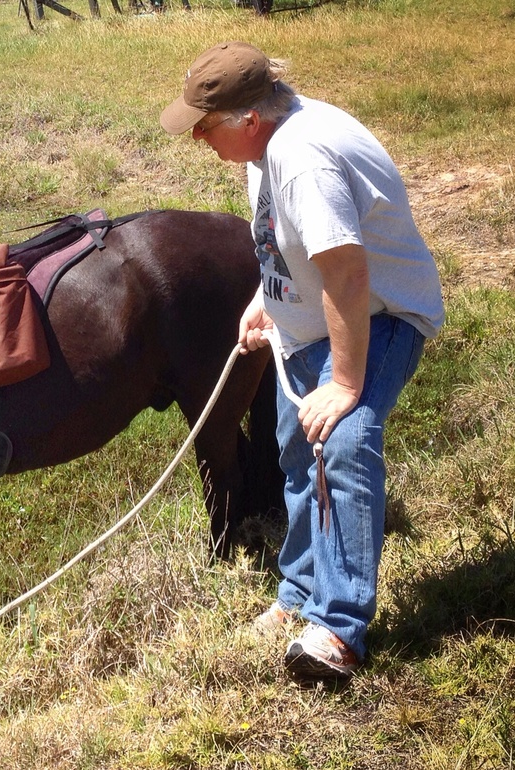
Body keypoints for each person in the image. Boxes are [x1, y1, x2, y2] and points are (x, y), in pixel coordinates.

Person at [160, 41, 444, 681]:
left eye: (205, 127)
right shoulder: (268, 143)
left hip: (380, 316)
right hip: (315, 326)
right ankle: (299, 593)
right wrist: (269, 299)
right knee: (295, 446)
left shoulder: (302, 159)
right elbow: (283, 238)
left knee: (341, 441)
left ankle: (338, 629)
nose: (199, 139)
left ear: (247, 119)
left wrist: (346, 383)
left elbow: (346, 274)